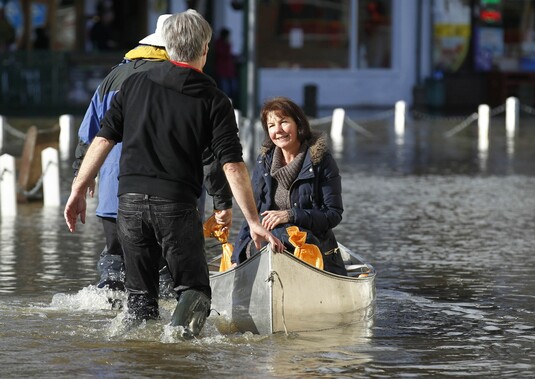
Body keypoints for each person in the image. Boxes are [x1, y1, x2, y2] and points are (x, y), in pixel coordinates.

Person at [64, 9, 284, 337]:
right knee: (194, 292)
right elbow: (231, 164)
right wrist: (252, 221)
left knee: (139, 299)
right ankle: (179, 352)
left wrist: (78, 189)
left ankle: (136, 358)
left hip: (129, 205)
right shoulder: (214, 98)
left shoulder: (134, 83)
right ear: (204, 49)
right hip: (175, 207)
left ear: (167, 46)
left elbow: (103, 138)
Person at [73, 14, 233, 296]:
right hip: (172, 196)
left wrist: (80, 181)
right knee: (172, 279)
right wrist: (223, 201)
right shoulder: (182, 84)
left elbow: (92, 136)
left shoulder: (113, 78)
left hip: (119, 197)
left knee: (120, 275)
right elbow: (210, 154)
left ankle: (119, 323)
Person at [231, 97, 347, 276]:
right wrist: (235, 259)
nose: (277, 130)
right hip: (265, 244)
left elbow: (333, 214)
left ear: (298, 124)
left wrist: (290, 215)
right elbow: (252, 215)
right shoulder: (264, 162)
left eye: (283, 122)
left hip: (310, 249)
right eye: (271, 125)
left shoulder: (322, 161)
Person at [214, 27, 238, 104]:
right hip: (222, 70)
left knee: (233, 89)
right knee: (225, 90)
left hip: (230, 71)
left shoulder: (228, 44)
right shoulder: (220, 43)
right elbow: (223, 54)